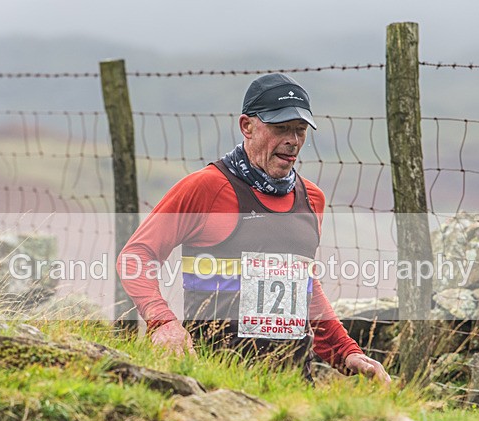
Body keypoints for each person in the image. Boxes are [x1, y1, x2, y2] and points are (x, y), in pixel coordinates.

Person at [116, 73, 390, 384]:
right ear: (247, 126)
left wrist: (346, 351)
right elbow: (136, 256)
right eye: (280, 128)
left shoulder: (312, 199)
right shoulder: (207, 187)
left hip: (292, 386)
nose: (293, 141)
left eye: (300, 131)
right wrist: (162, 322)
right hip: (215, 383)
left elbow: (306, 288)